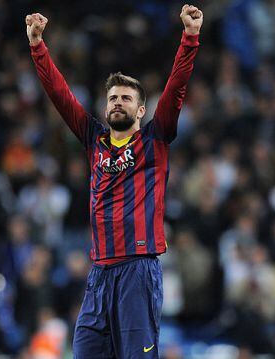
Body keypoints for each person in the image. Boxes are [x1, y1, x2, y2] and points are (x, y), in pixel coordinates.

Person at [25, 5, 203, 358]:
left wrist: (190, 38)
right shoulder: (95, 139)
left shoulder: (156, 138)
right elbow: (60, 96)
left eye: (126, 98)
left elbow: (176, 88)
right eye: (112, 98)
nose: (117, 103)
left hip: (138, 268)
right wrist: (37, 47)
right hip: (99, 272)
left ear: (140, 110)